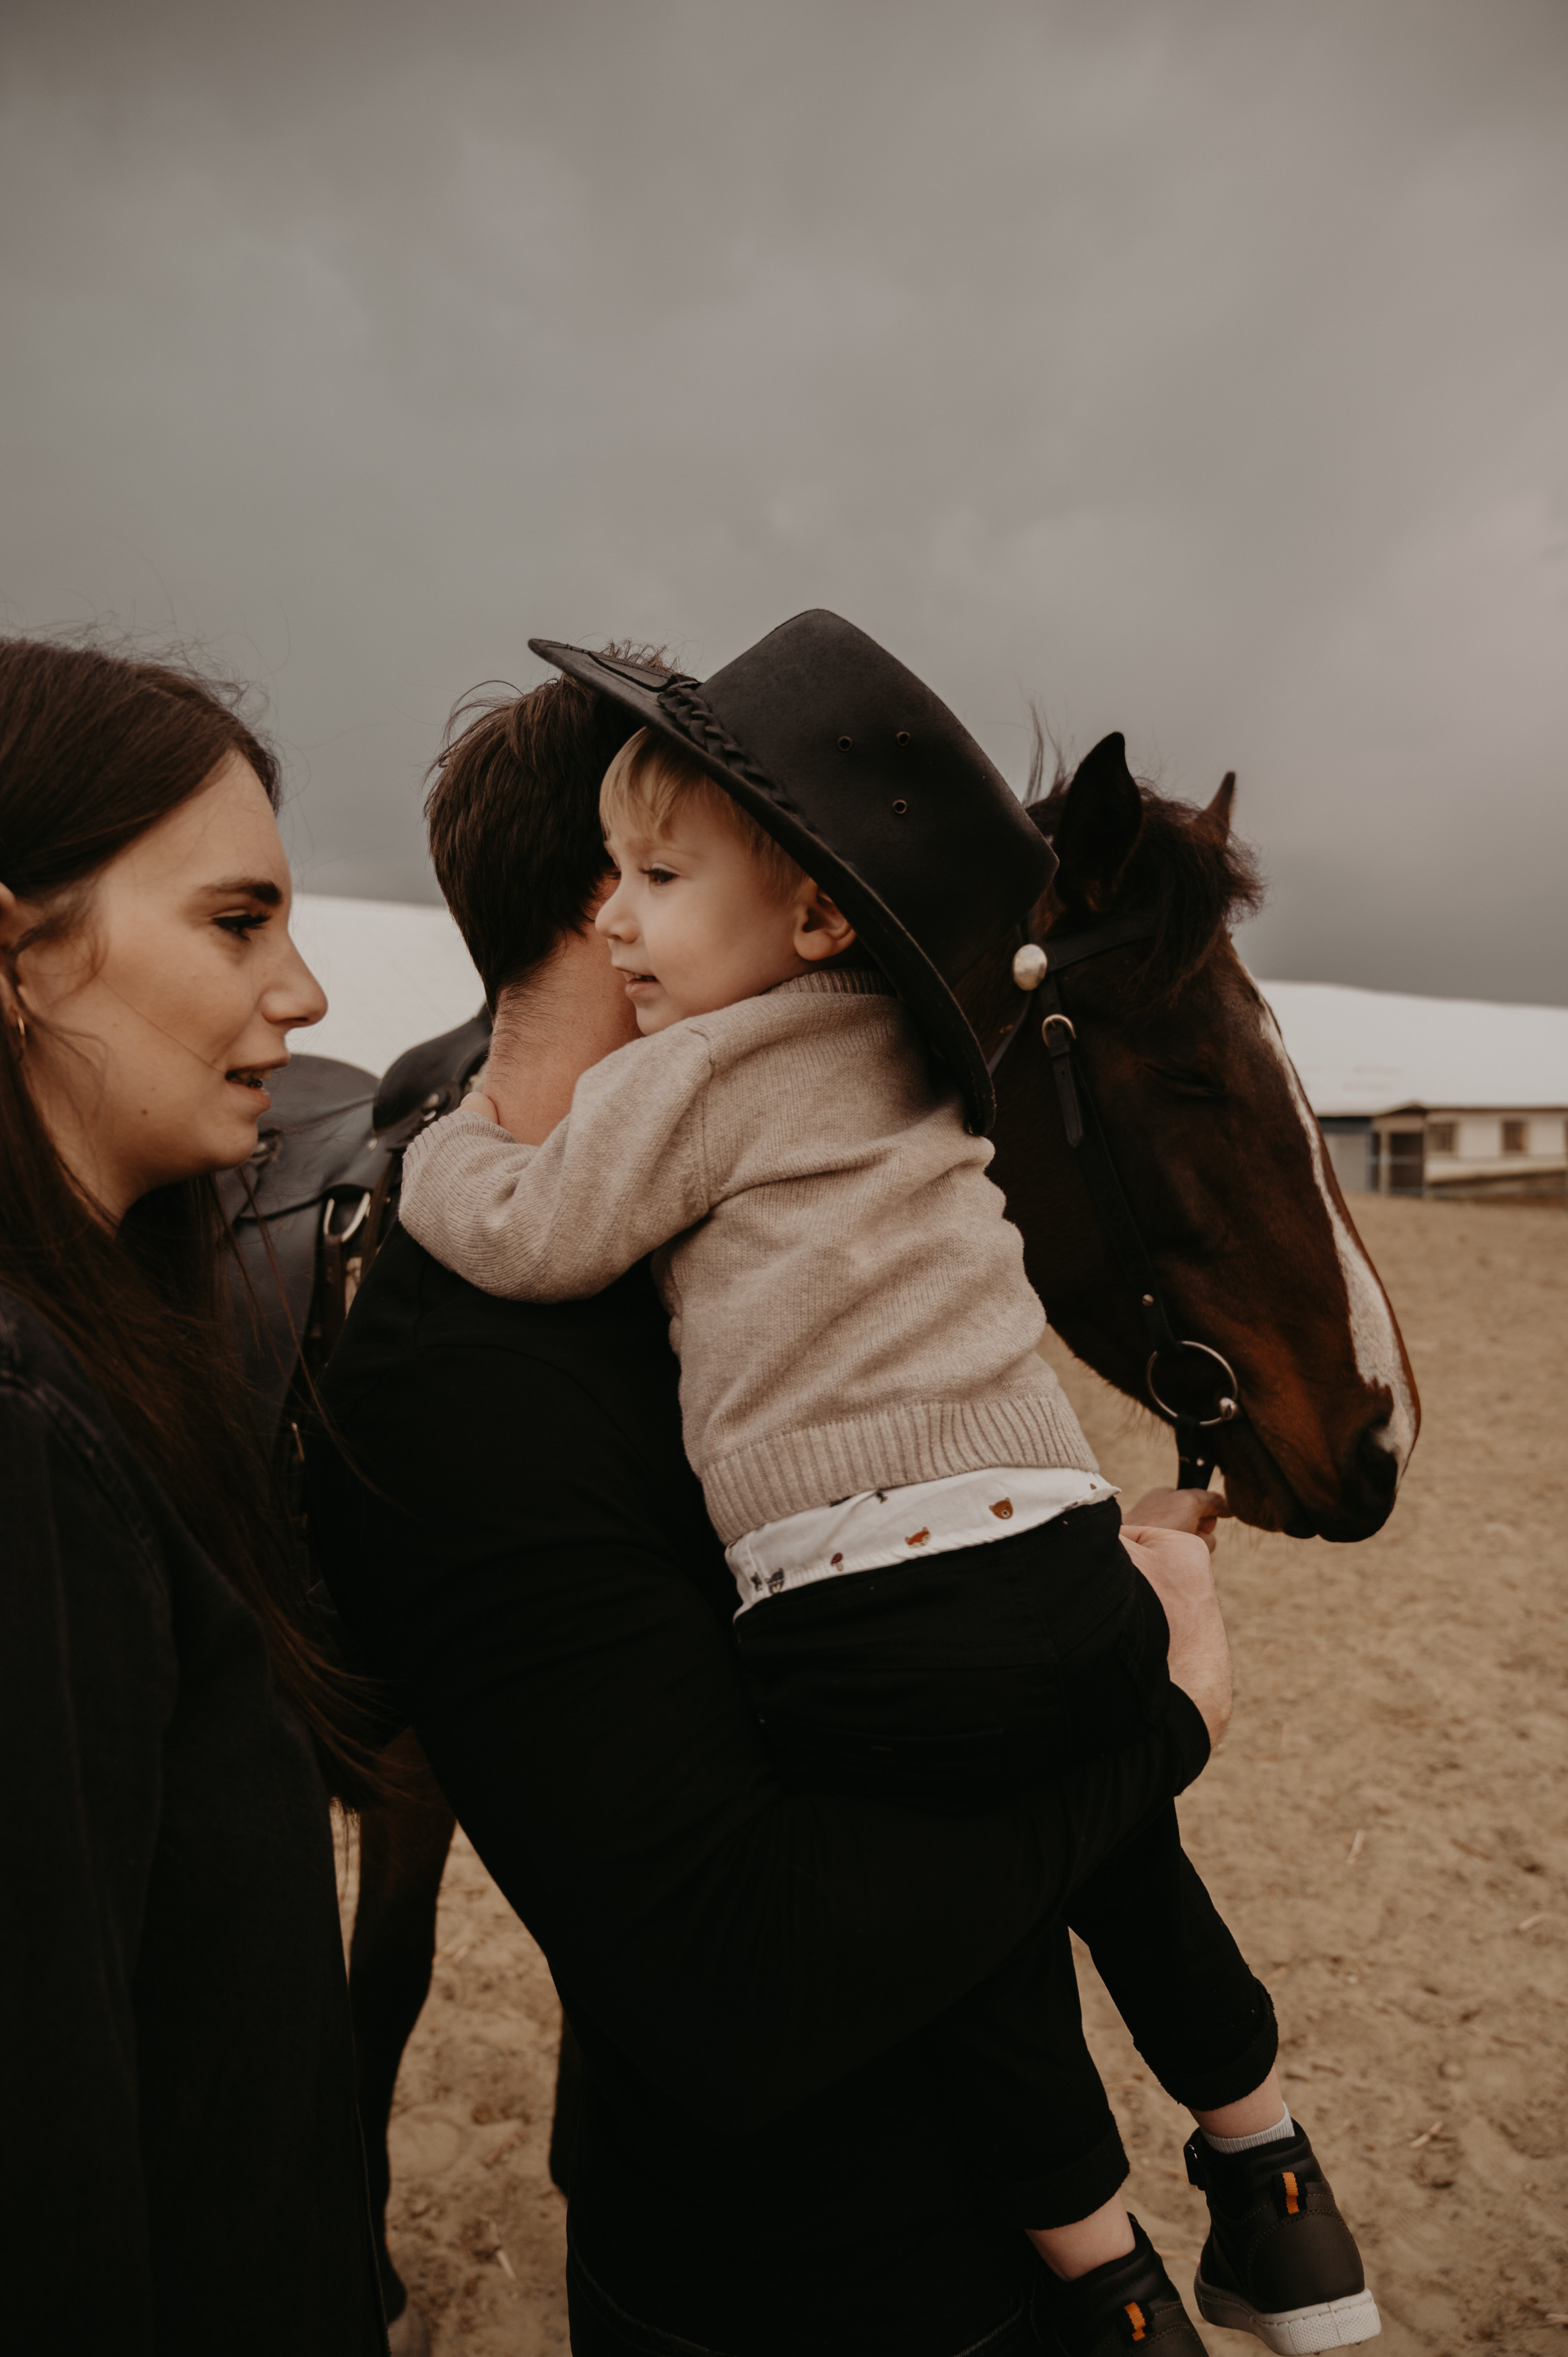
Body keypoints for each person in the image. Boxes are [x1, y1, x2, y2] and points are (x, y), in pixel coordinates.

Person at [397, 613, 1378, 2356]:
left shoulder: (718, 1118)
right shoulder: (478, 1376)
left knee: (1009, 1887)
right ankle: (1268, 2186)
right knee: (1118, 1860)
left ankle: (1141, 2273)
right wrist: (1162, 1725)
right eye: (632, 874)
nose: (640, 914)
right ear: (586, 914)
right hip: (792, 2280)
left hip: (890, 2235)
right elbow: (742, 1973)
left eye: (670, 869)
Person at [0, 638, 388, 2354]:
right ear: (14, 950)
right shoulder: (26, 1440)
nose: (299, 997)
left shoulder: (102, 1365)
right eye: (237, 923)